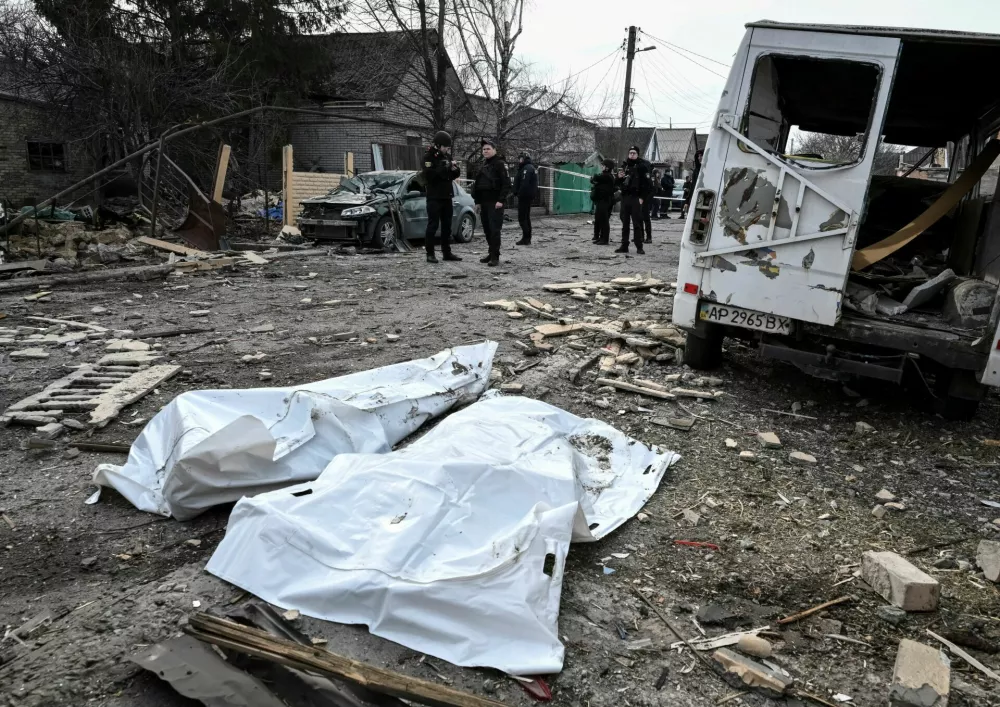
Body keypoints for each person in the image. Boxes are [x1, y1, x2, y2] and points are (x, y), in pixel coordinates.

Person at [421, 130, 462, 264]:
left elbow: (454, 175)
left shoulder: (447, 157)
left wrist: (455, 169)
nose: (446, 150)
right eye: (445, 147)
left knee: (447, 226)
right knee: (433, 225)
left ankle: (447, 252)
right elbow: (429, 175)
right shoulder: (429, 157)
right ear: (438, 145)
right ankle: (430, 253)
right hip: (434, 196)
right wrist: (445, 169)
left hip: (446, 196)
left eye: (448, 147)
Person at [471, 138, 511, 267]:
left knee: (494, 230)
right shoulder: (483, 164)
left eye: (488, 149)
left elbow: (506, 184)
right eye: (483, 149)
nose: (485, 151)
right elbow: (477, 185)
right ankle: (490, 252)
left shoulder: (500, 164)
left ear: (494, 150)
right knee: (487, 230)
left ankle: (495, 256)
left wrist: (501, 200)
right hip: (484, 203)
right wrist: (477, 202)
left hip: (495, 203)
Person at [615, 145, 652, 254]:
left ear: (637, 154)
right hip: (625, 197)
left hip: (636, 198)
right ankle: (624, 245)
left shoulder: (642, 167)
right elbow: (617, 183)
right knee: (625, 223)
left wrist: (642, 197)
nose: (631, 155)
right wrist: (619, 178)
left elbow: (648, 185)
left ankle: (639, 246)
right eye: (630, 153)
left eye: (634, 153)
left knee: (637, 223)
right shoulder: (625, 166)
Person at [512, 152, 538, 245]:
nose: (519, 160)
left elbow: (524, 183)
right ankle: (527, 238)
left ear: (524, 158)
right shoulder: (528, 167)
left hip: (524, 196)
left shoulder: (526, 169)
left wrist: (519, 193)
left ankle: (526, 238)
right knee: (526, 217)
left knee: (522, 218)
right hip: (527, 196)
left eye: (520, 158)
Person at [589, 159, 616, 245]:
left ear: (607, 167)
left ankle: (605, 239)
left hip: (605, 201)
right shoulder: (605, 176)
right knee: (600, 219)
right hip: (601, 200)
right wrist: (593, 180)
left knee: (604, 220)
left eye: (603, 165)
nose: (601, 166)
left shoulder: (608, 176)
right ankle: (601, 237)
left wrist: (593, 178)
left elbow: (597, 177)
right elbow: (597, 182)